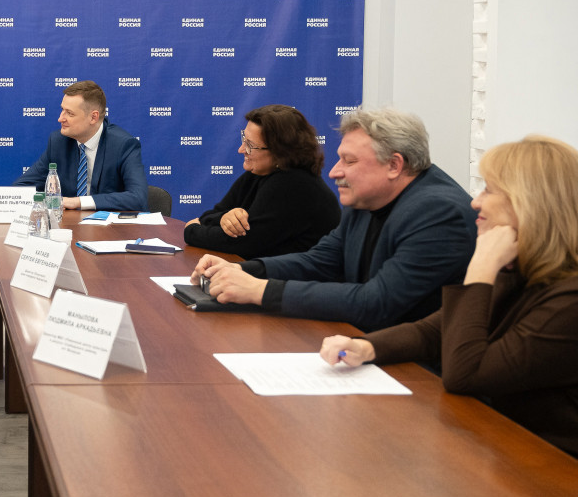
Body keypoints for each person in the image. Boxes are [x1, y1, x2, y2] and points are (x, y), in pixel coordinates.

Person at [321, 136, 578, 457]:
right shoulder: (522, 271)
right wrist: (367, 347)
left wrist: (481, 271)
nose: (475, 203)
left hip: (553, 466)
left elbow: (465, 374)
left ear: (529, 203)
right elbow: (435, 331)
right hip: (503, 446)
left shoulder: (569, 300)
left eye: (489, 190)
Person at [192, 107, 476, 331]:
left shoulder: (439, 214)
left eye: (349, 161)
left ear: (394, 165)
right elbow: (320, 262)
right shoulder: (365, 199)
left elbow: (376, 303)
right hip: (363, 346)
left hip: (420, 371)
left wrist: (260, 290)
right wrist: (241, 270)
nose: (334, 172)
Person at [183, 105, 340, 257]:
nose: (241, 149)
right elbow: (209, 216)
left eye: (250, 145)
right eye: (244, 139)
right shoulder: (257, 174)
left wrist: (191, 230)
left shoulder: (293, 185)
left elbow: (242, 244)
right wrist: (224, 218)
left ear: (280, 151)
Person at [15, 80, 148, 212]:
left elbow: (138, 198)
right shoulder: (58, 142)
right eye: (62, 110)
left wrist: (77, 202)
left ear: (93, 117)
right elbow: (21, 188)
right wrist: (49, 200)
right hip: (68, 223)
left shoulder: (123, 145)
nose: (60, 118)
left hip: (109, 224)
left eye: (70, 113)